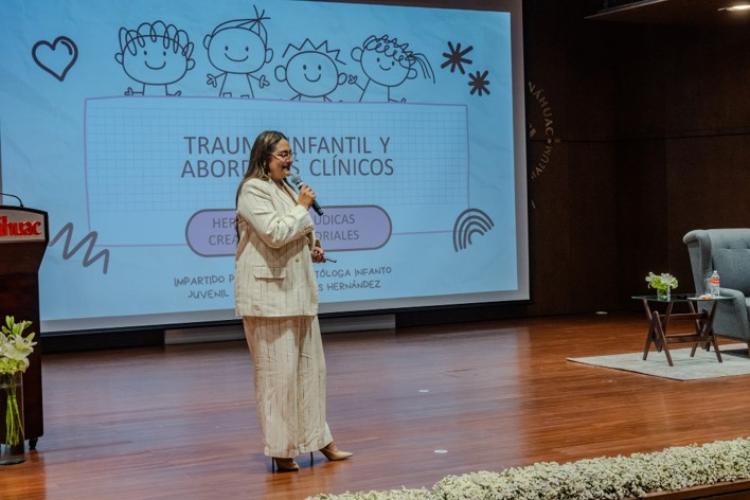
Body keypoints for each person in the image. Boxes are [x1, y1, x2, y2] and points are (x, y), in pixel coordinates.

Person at [234, 130, 352, 472]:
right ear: (264, 158)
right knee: (278, 377)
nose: (289, 160)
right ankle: (282, 450)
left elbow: (293, 232)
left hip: (298, 293)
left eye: (290, 154)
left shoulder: (285, 188)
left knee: (311, 372)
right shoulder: (252, 190)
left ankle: (320, 439)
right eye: (282, 154)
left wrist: (312, 247)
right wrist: (301, 209)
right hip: (269, 299)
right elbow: (273, 233)